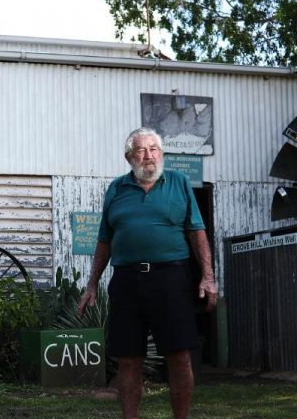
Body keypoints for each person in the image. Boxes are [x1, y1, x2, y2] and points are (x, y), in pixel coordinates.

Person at [77, 127, 218, 419]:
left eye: (154, 149)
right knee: (128, 359)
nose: (149, 155)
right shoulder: (116, 189)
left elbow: (196, 232)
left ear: (162, 154)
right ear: (130, 157)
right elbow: (105, 240)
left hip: (171, 279)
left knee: (179, 357)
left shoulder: (178, 183)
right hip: (127, 281)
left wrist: (207, 276)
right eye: (141, 150)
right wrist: (92, 283)